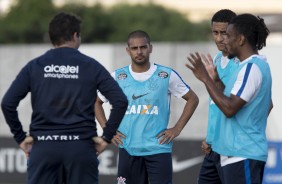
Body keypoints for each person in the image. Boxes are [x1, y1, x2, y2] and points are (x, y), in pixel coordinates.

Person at [1, 12, 128, 184]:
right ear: (75, 35)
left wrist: (21, 138)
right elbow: (120, 101)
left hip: (44, 149)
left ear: (52, 37)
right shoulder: (91, 66)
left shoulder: (35, 66)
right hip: (80, 149)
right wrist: (106, 138)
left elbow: (8, 103)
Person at [95, 30, 199, 184]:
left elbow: (192, 99)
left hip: (158, 149)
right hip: (128, 149)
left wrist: (177, 128)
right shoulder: (117, 77)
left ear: (150, 48)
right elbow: (96, 102)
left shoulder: (166, 75)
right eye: (134, 48)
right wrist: (108, 130)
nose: (139, 52)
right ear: (127, 50)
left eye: (143, 47)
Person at [186, 13, 272, 184]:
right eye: (217, 33)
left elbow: (230, 108)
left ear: (240, 39)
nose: (224, 40)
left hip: (243, 152)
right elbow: (229, 101)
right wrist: (215, 81)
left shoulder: (252, 68)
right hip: (228, 151)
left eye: (228, 35)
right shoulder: (244, 67)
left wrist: (205, 78)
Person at [197, 9, 237, 184]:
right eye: (215, 32)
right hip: (214, 147)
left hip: (233, 149)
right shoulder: (215, 61)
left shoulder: (244, 62)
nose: (219, 38)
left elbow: (237, 105)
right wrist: (211, 136)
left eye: (224, 33)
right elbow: (217, 103)